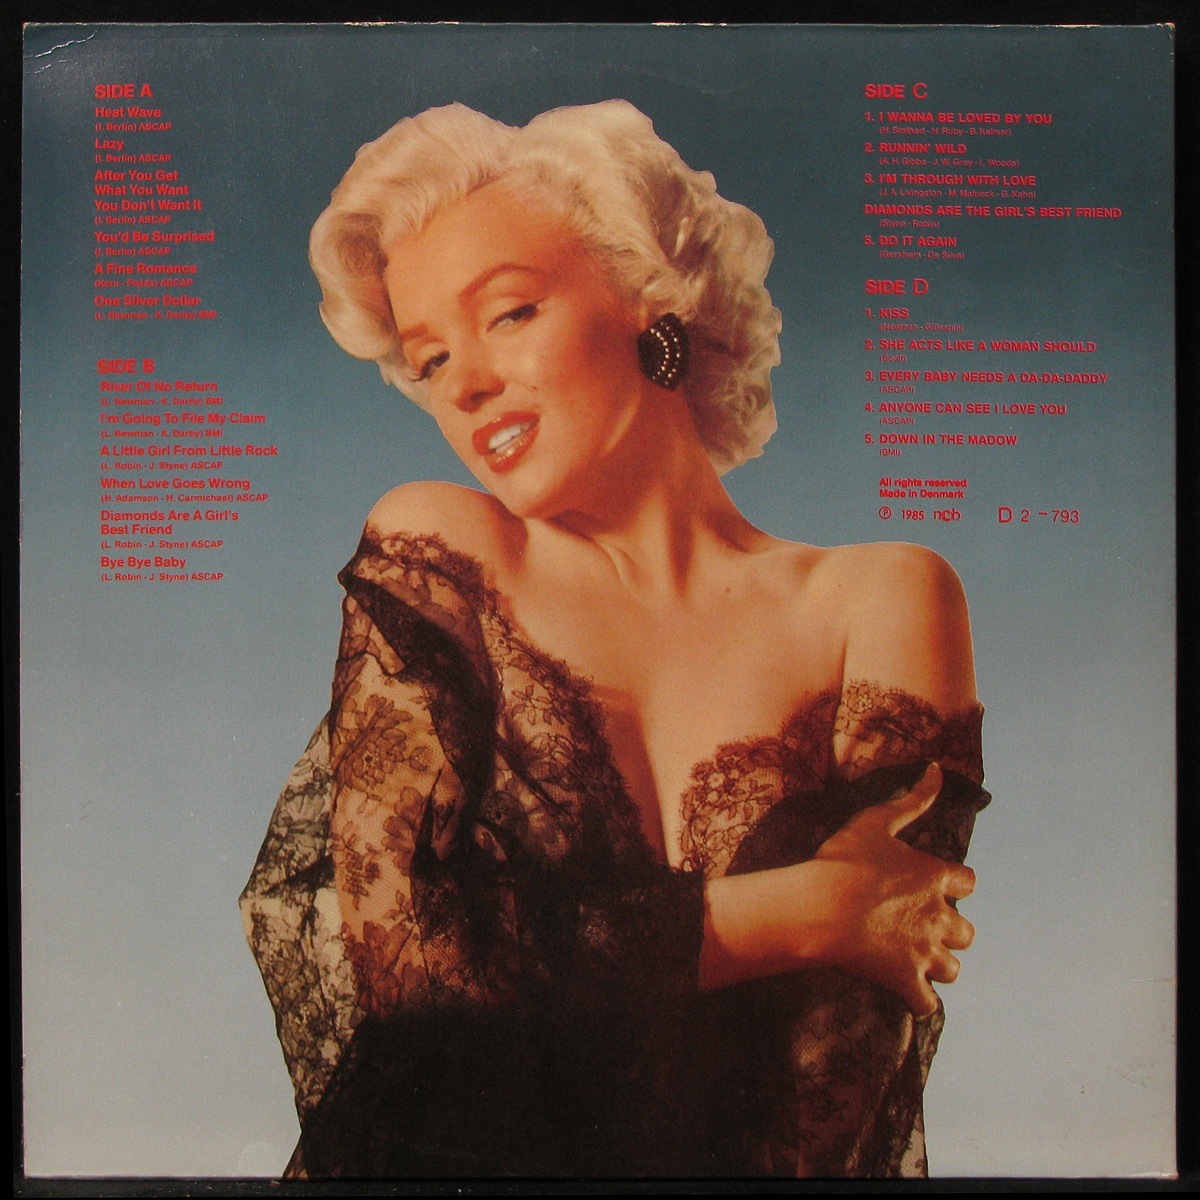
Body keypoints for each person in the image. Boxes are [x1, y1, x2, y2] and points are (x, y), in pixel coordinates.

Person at [241, 100, 988, 1179]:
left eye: (509, 313)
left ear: (652, 294)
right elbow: (411, 965)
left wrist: (807, 927)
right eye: (429, 358)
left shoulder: (886, 602)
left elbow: (852, 1054)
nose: (465, 384)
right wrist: (805, 908)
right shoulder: (443, 551)